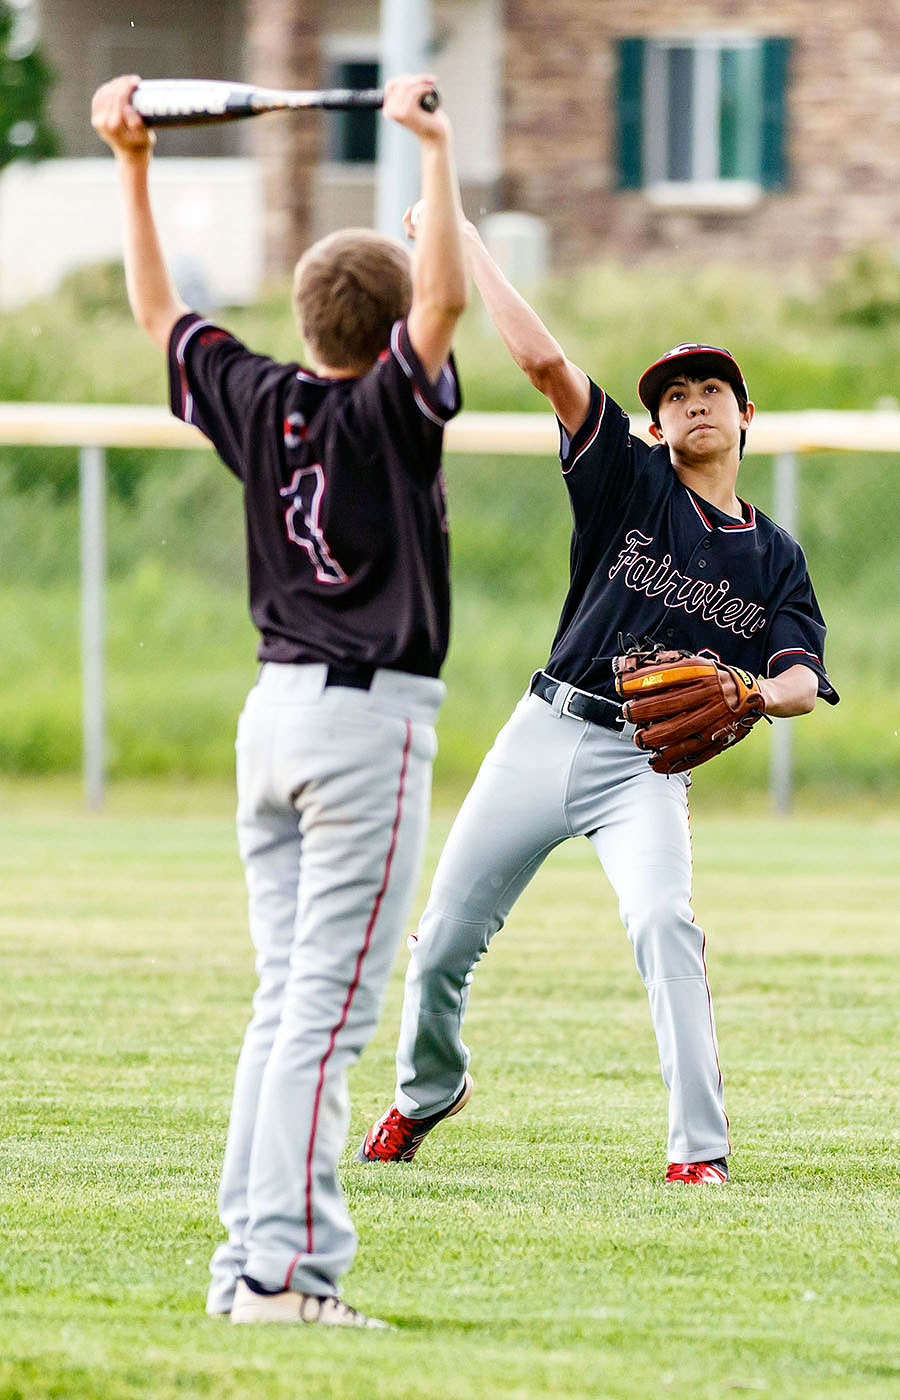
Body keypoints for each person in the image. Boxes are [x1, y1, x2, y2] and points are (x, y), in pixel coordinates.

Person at [91, 72, 467, 1325]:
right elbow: (449, 298)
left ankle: (246, 1262)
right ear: (393, 325)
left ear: (309, 318)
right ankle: (285, 1278)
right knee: (327, 1016)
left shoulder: (259, 393)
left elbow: (158, 310)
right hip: (366, 726)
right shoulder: (389, 409)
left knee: (284, 1007)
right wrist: (431, 147)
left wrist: (132, 158)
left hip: (276, 718)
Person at [358, 217, 839, 1185]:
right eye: (675, 394)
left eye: (712, 390)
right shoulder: (629, 478)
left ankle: (696, 1152)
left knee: (665, 919)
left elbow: (801, 676)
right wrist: (461, 234)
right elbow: (540, 359)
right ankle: (426, 1091)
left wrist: (752, 687)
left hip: (643, 766)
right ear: (654, 424)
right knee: (443, 940)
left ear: (748, 415)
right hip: (544, 732)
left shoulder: (774, 554)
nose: (694, 403)